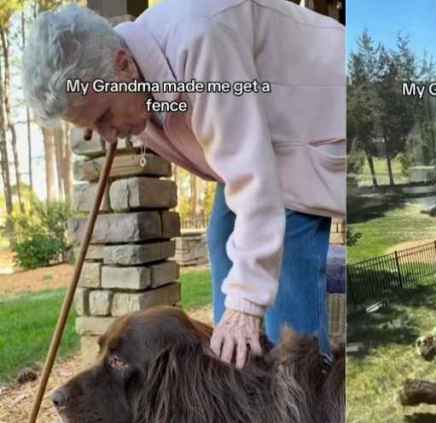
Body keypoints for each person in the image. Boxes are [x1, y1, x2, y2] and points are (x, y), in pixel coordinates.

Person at [23, 1, 345, 368]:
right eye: (92, 128)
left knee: (278, 260)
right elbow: (235, 163)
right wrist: (241, 310)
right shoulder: (129, 82)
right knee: (224, 236)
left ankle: (305, 402)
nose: (108, 137)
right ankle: (242, 379)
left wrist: (246, 304)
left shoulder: (199, 39)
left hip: (323, 114)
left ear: (123, 65)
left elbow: (253, 179)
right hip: (265, 145)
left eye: (104, 117)